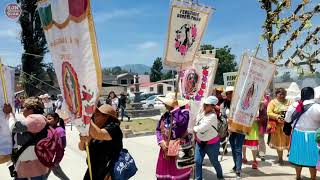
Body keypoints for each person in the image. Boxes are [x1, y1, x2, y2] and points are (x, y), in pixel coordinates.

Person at [3, 97, 49, 180]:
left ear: (30, 109)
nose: (22, 110)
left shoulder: (36, 119)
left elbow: (14, 127)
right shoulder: (38, 118)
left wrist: (9, 113)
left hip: (33, 169)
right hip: (29, 167)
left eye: (23, 107)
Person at [79, 104, 123, 180]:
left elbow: (98, 134)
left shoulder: (114, 128)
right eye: (94, 115)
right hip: (92, 170)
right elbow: (81, 147)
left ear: (107, 117)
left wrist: (86, 117)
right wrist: (83, 140)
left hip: (108, 172)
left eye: (97, 115)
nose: (94, 117)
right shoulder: (92, 129)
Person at [285, 87, 320, 180]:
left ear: (301, 95)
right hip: (313, 135)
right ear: (313, 95)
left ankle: (298, 176)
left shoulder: (293, 106)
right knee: (313, 158)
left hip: (297, 134)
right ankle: (313, 178)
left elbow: (287, 119)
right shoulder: (317, 107)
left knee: (298, 157)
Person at [155, 93, 192, 180]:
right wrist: (161, 142)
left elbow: (181, 123)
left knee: (179, 172)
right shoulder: (165, 116)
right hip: (166, 148)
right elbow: (158, 130)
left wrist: (176, 109)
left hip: (180, 148)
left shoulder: (184, 114)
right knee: (166, 172)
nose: (164, 105)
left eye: (166, 103)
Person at [193, 96, 224, 180]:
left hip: (212, 144)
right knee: (197, 161)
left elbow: (201, 127)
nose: (204, 106)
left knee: (214, 162)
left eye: (207, 105)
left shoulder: (212, 116)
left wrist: (193, 129)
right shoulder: (202, 113)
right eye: (204, 104)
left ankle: (220, 176)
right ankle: (198, 178)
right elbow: (195, 121)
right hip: (200, 142)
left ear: (212, 106)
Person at [267, 88, 291, 164]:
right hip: (277, 126)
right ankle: (280, 158)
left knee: (289, 142)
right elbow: (269, 112)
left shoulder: (288, 101)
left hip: (287, 125)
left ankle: (291, 157)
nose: (282, 96)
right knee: (279, 142)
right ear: (276, 94)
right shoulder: (272, 102)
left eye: (283, 94)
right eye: (280, 94)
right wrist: (277, 116)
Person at [45, 112, 69, 180]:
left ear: (56, 120)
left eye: (49, 119)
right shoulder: (47, 129)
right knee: (57, 172)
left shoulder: (60, 130)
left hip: (53, 157)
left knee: (46, 175)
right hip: (47, 157)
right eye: (46, 119)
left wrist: (56, 159)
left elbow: (63, 145)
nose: (47, 120)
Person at [220, 86, 234, 155]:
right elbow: (222, 114)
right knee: (233, 145)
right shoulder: (224, 104)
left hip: (236, 128)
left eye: (230, 93)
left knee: (237, 148)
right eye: (227, 93)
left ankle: (237, 165)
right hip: (227, 127)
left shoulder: (238, 103)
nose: (228, 95)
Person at [257, 96, 269, 161]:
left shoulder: (264, 106)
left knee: (261, 139)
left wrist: (259, 119)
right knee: (256, 139)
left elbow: (266, 116)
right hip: (255, 124)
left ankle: (262, 154)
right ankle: (258, 152)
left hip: (261, 124)